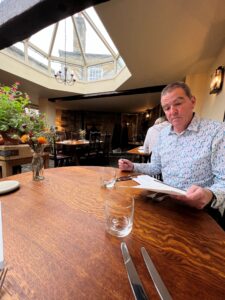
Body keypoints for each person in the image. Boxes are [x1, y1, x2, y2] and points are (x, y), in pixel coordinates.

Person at [118, 81, 225, 226]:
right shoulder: (163, 135)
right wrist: (133, 167)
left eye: (178, 104)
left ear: (192, 101)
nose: (172, 112)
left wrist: (209, 194)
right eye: (167, 108)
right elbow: (156, 166)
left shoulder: (217, 131)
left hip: (202, 212)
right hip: (168, 205)